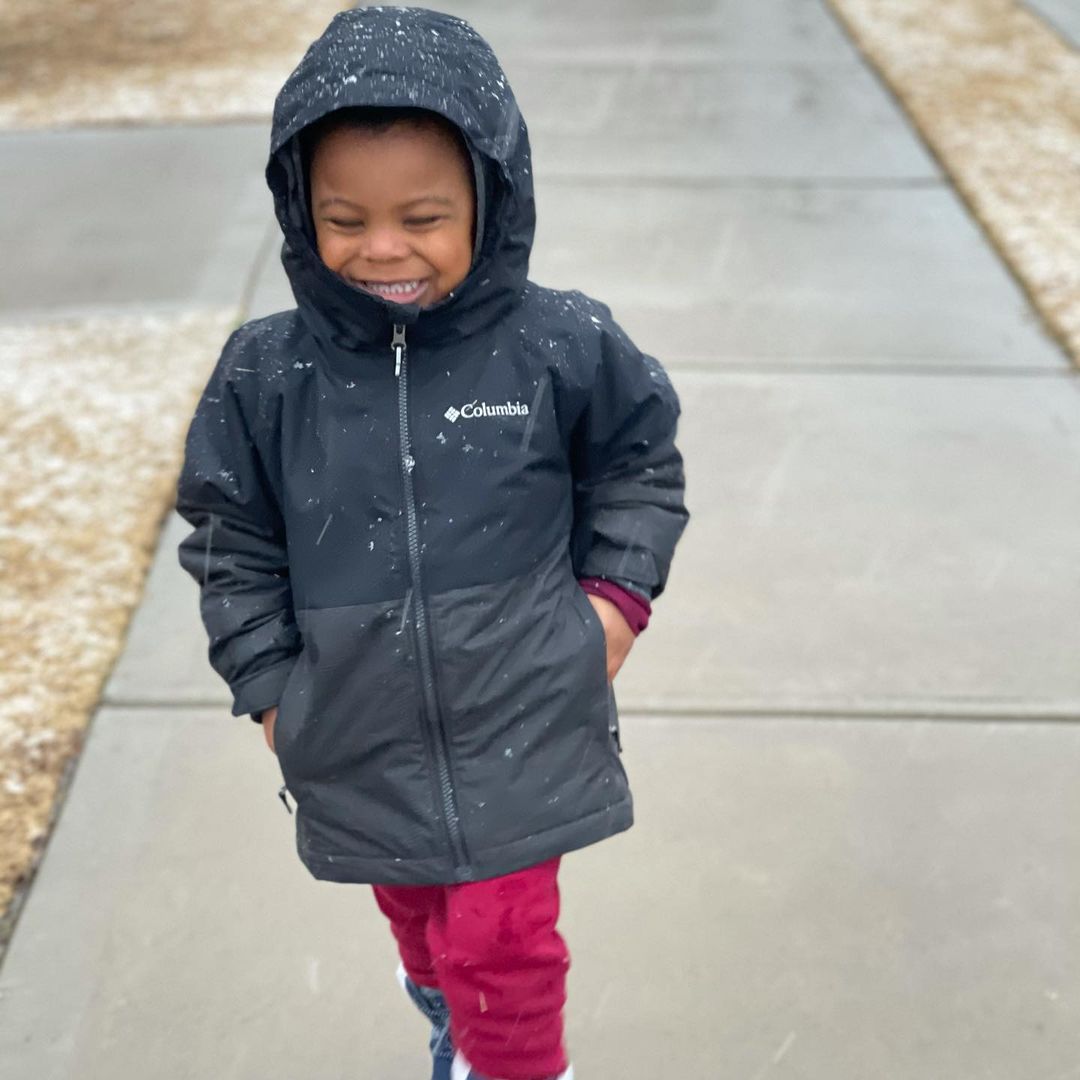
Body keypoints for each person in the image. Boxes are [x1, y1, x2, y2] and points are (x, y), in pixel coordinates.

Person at [175, 8, 688, 1080]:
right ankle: (451, 1016)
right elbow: (230, 535)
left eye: (423, 217)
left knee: (501, 938)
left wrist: (611, 608)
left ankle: (513, 1065)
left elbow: (638, 465)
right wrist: (271, 690)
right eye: (345, 218)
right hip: (353, 727)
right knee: (421, 917)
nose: (382, 248)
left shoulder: (559, 344)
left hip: (522, 710)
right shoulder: (268, 374)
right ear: (300, 211)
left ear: (490, 203)